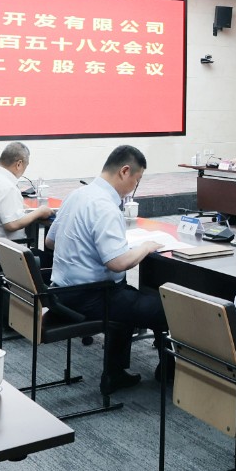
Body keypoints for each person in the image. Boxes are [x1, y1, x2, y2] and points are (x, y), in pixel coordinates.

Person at [45, 145, 170, 391]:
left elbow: (50, 242)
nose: (134, 187)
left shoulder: (76, 195)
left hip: (60, 292)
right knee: (164, 307)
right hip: (90, 297)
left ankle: (115, 373)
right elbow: (118, 263)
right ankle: (169, 370)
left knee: (126, 292)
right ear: (125, 171)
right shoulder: (105, 206)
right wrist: (145, 247)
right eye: (137, 181)